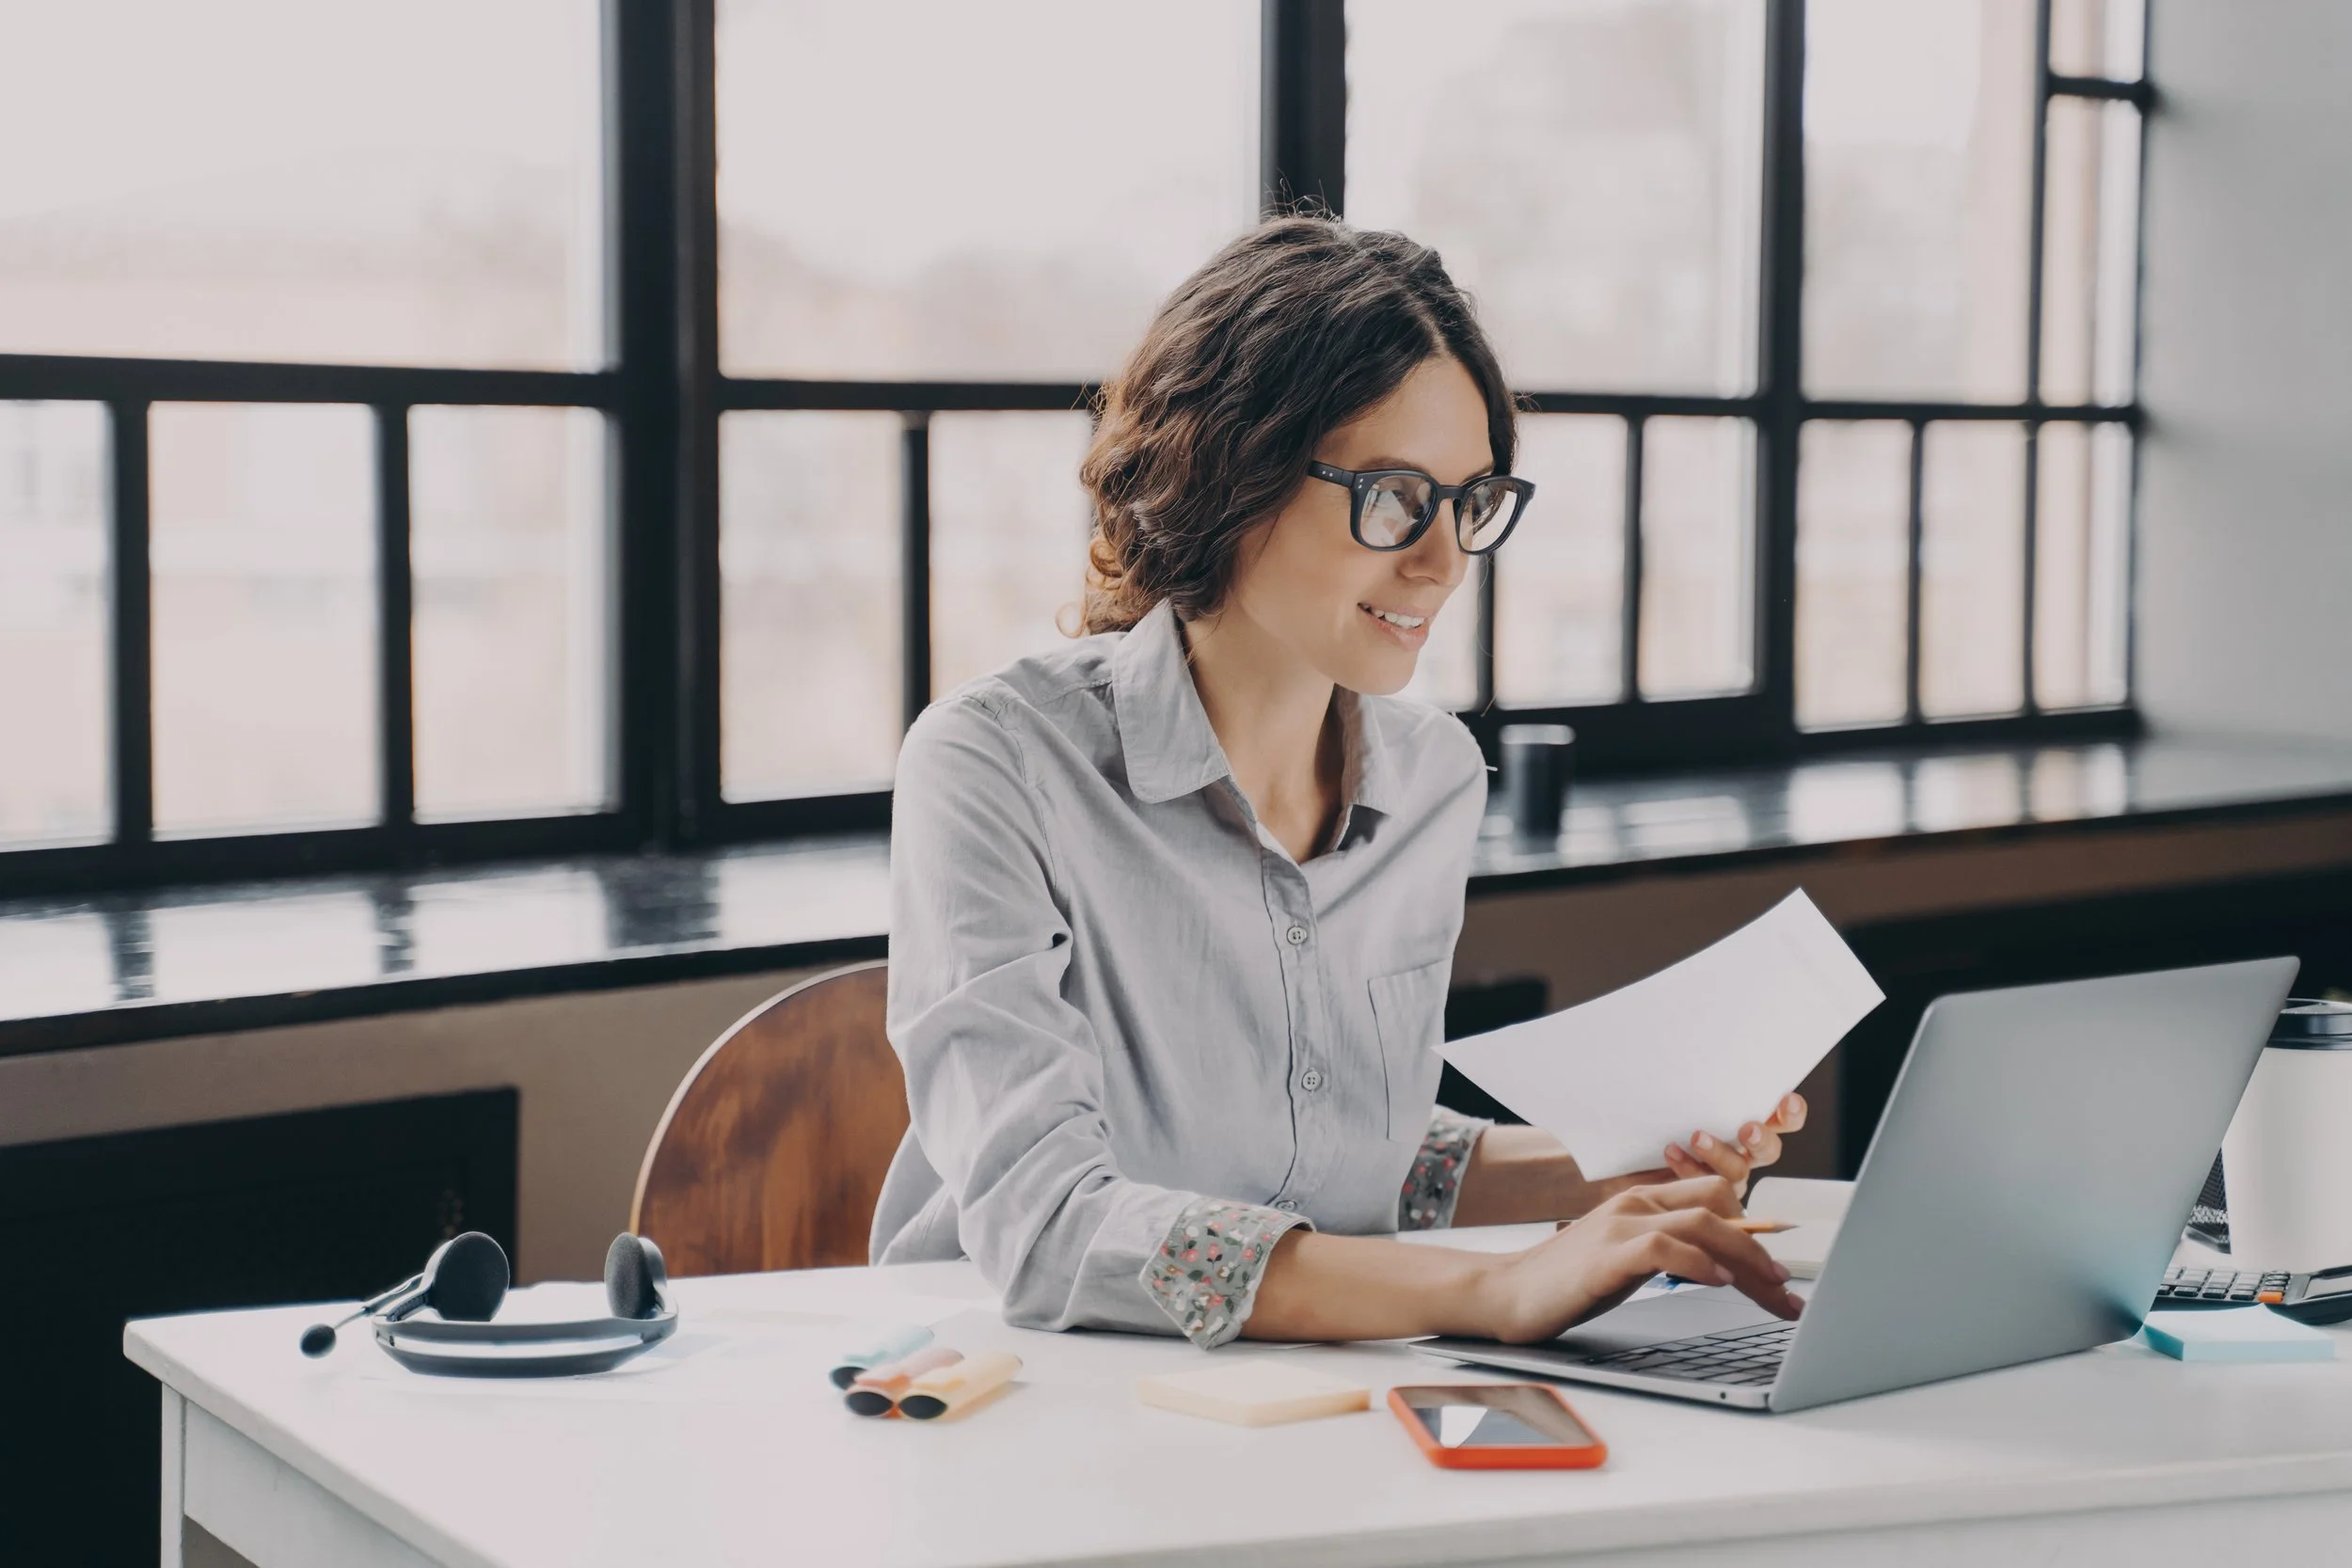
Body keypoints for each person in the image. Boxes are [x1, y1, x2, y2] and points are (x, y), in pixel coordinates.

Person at [870, 214, 1806, 1349]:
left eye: (1468, 501)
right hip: (1005, 1391)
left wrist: (1634, 1165)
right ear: (1231, 468)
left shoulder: (1431, 780)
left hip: (1305, 1395)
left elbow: (1351, 1157)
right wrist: (1496, 1290)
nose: (1441, 559)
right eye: (1393, 495)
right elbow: (1048, 1222)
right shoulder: (995, 763)